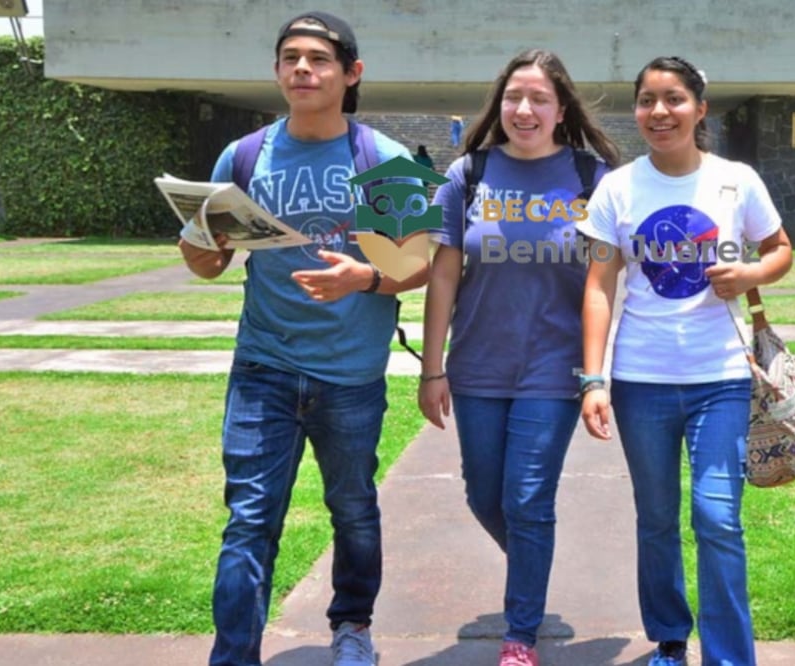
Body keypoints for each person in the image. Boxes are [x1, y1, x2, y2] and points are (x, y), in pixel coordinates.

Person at [177, 11, 427, 666]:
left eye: (317, 58)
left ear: (351, 73)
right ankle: (234, 655)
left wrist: (365, 277)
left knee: (352, 510)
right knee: (249, 521)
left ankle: (353, 628)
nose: (302, 70)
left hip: (349, 375)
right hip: (263, 367)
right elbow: (206, 261)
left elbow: (420, 263)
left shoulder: (382, 158)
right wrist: (203, 245)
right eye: (290, 57)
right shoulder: (245, 155)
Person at [578, 56, 793, 666]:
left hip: (721, 377)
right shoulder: (616, 188)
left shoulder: (736, 180)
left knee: (717, 517)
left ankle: (729, 656)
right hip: (639, 380)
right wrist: (593, 378)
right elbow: (598, 286)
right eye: (647, 100)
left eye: (673, 99)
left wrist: (751, 271)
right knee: (655, 518)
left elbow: (780, 249)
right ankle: (670, 639)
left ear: (700, 108)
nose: (658, 112)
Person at [418, 49, 620, 666]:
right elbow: (444, 275)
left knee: (528, 499)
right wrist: (432, 368)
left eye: (538, 99)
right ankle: (532, 562)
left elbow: (606, 283)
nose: (523, 109)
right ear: (498, 104)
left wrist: (594, 375)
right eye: (513, 97)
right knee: (485, 496)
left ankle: (520, 634)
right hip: (478, 365)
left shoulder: (595, 179)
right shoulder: (466, 174)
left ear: (562, 110)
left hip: (554, 371)